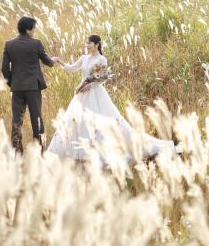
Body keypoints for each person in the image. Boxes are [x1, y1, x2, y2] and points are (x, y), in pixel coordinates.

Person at [48, 34, 176, 161]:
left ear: (97, 45)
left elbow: (102, 78)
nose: (87, 45)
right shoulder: (84, 58)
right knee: (79, 120)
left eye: (89, 43)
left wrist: (90, 86)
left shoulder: (101, 59)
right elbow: (71, 68)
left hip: (95, 93)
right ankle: (81, 152)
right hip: (82, 95)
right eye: (86, 43)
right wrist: (59, 61)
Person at [1, 16, 57, 154]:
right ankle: (40, 152)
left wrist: (12, 82)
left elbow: (4, 68)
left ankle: (17, 152)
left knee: (17, 120)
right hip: (33, 87)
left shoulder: (9, 44)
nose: (34, 31)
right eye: (33, 28)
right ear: (28, 29)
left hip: (17, 87)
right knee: (37, 119)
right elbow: (47, 62)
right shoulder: (36, 43)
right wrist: (54, 60)